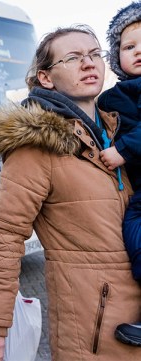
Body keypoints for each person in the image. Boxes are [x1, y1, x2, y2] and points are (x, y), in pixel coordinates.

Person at [0, 25, 141, 361]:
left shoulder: (121, 130)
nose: (89, 64)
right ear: (45, 78)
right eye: (72, 58)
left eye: (94, 54)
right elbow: (7, 235)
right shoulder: (36, 146)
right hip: (94, 329)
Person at [97, 2, 141, 346]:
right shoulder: (111, 98)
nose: (138, 51)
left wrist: (124, 149)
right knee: (135, 236)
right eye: (129, 46)